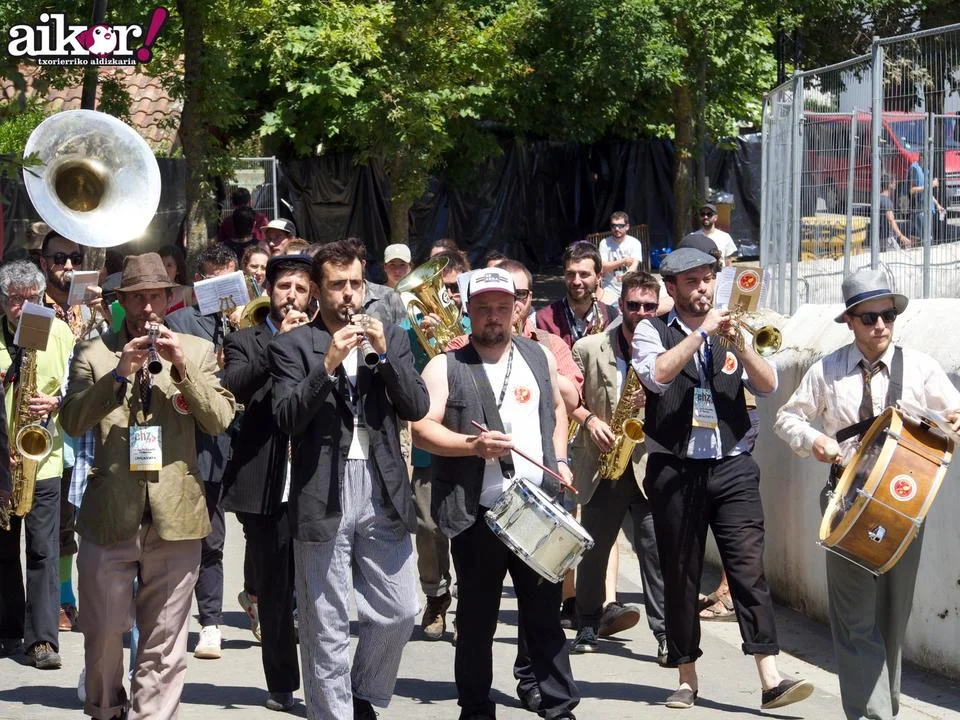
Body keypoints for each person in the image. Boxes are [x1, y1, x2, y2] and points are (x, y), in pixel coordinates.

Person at [774, 268, 960, 720]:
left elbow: (954, 416)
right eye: (869, 317)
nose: (880, 325)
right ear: (850, 321)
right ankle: (872, 715)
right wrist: (813, 440)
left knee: (893, 617)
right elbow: (786, 418)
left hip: (904, 502)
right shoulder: (827, 369)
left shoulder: (921, 367)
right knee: (855, 617)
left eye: (887, 316)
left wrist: (949, 423)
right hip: (846, 500)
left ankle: (883, 705)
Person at [632, 246, 813, 711]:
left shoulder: (733, 327)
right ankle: (686, 676)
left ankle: (770, 677)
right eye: (691, 281)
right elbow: (656, 377)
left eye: (708, 279)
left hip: (732, 463)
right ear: (672, 288)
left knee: (749, 569)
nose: (703, 288)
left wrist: (741, 345)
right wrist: (701, 334)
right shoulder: (652, 330)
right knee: (681, 572)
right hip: (675, 466)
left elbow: (768, 385)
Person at [60, 252, 235, 719]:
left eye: (156, 296)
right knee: (102, 634)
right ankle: (106, 710)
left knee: (165, 644)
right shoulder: (93, 353)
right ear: (122, 301)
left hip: (176, 517)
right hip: (109, 515)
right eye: (137, 298)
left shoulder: (196, 350)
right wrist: (118, 375)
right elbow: (72, 421)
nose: (148, 307)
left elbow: (219, 420)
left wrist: (182, 370)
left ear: (168, 298)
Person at [269, 240, 429, 720]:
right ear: (317, 291)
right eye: (337, 285)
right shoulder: (293, 345)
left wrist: (385, 355)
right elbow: (287, 417)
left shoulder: (391, 336)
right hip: (322, 488)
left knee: (401, 610)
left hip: (382, 486)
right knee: (326, 623)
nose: (348, 295)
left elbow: (416, 406)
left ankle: (361, 693)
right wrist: (327, 365)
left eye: (356, 284)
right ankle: (332, 713)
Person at [412, 267, 579, 720]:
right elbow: (421, 429)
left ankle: (559, 705)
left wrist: (560, 459)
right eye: (483, 308)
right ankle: (475, 707)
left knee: (544, 617)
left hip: (537, 509)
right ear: (468, 311)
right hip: (477, 513)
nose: (494, 316)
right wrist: (473, 446)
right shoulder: (445, 365)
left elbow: (558, 409)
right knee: (476, 621)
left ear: (517, 309)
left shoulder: (539, 356)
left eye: (502, 307)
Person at [221, 255, 315, 713]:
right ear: (269, 290)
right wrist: (279, 342)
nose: (291, 296)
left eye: (300, 288)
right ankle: (282, 684)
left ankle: (324, 683)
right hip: (264, 481)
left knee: (317, 592)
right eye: (283, 287)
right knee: (276, 591)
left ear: (311, 295)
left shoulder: (323, 337)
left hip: (314, 477)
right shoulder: (244, 339)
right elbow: (234, 386)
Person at [568, 271, 667, 662]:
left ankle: (666, 633)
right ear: (621, 304)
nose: (641, 313)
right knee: (594, 548)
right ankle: (588, 623)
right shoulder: (589, 347)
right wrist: (590, 420)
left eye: (648, 306)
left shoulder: (668, 346)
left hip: (648, 464)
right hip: (603, 460)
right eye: (633, 305)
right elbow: (569, 400)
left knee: (655, 551)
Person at [165, 243, 241, 660]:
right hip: (196, 440)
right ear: (200, 283)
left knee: (226, 537)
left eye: (232, 281)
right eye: (216, 282)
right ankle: (196, 622)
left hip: (238, 440)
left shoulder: (247, 318)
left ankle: (222, 617)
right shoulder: (179, 321)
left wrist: (242, 333)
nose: (225, 291)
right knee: (193, 537)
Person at [0, 260, 74, 668]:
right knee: (3, 550)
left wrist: (56, 402)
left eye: (31, 299)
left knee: (44, 549)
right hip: (2, 460)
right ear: (4, 301)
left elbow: (77, 385)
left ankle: (42, 640)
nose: (23, 307)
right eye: (15, 299)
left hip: (42, 459)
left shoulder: (59, 332)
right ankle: (8, 630)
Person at [37, 231, 106, 633]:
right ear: (43, 262)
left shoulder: (90, 308)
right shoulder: (33, 306)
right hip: (50, 426)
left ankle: (96, 596)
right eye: (59, 258)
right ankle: (63, 597)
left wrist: (103, 313)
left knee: (95, 515)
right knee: (60, 520)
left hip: (91, 422)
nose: (67, 266)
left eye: (75, 259)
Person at [402, 249, 470, 641]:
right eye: (443, 289)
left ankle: (468, 604)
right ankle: (436, 596)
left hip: (468, 438)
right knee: (428, 526)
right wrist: (422, 338)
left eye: (455, 289)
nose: (449, 296)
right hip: (429, 444)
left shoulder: (475, 323)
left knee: (468, 529)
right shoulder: (410, 327)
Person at [536, 241, 620, 347]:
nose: (576, 281)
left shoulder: (612, 316)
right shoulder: (543, 319)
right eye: (570, 274)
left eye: (584, 274)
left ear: (598, 277)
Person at [598, 211, 644, 304]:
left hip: (630, 287)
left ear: (627, 226)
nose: (617, 229)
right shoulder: (604, 243)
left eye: (620, 226)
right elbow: (603, 267)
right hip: (609, 288)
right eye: (614, 226)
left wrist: (626, 275)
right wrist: (623, 261)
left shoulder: (634, 243)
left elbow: (634, 265)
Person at [908, 151, 946, 243]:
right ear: (921, 157)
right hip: (919, 210)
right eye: (928, 158)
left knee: (926, 238)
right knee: (927, 239)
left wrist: (937, 205)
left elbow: (927, 192)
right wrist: (931, 185)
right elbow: (911, 190)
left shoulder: (926, 170)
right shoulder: (914, 169)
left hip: (928, 209)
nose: (929, 162)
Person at [879, 175, 911, 250]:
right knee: (897, 255)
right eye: (894, 182)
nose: (895, 184)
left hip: (879, 237)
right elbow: (891, 220)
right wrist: (901, 236)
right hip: (887, 238)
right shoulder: (886, 201)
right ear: (889, 184)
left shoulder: (878, 198)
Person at [158, 245, 193, 314]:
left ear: (178, 270)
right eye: (160, 265)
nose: (164, 269)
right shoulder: (149, 294)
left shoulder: (189, 293)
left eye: (169, 265)